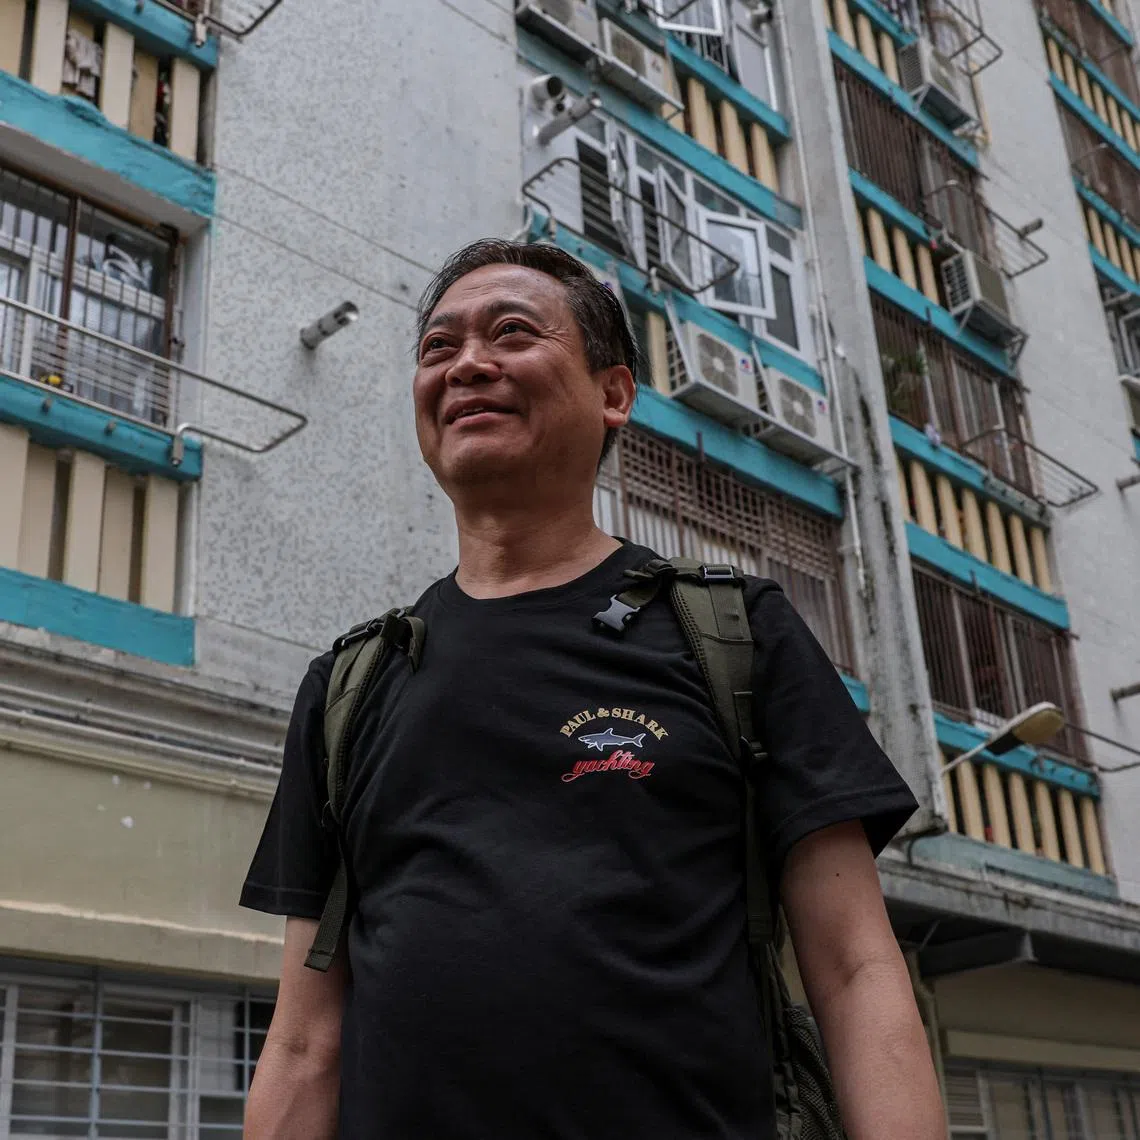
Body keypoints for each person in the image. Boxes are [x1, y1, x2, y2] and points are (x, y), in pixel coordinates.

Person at [240, 239, 946, 1140]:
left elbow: (853, 968)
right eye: (438, 347)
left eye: (511, 333)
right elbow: (305, 1043)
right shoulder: (351, 684)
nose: (468, 364)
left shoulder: (736, 634)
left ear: (614, 394)